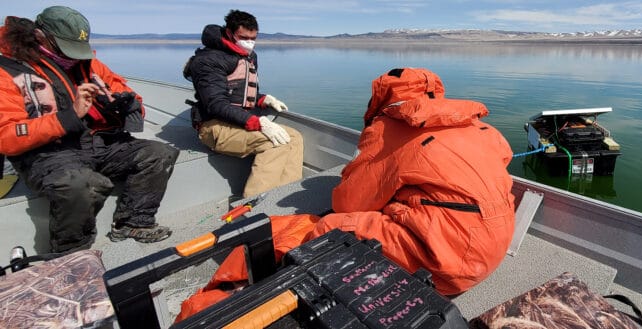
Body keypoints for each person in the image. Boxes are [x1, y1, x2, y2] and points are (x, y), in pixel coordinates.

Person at [174, 67, 516, 322]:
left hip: (447, 262)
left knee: (325, 228)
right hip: (494, 248)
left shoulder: (390, 129)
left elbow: (348, 203)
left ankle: (226, 295)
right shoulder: (478, 125)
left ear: (383, 98)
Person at [0, 6, 179, 253]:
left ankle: (133, 222)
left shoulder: (86, 63)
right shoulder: (7, 70)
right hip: (49, 153)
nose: (73, 56)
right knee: (81, 184)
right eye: (66, 48)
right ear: (41, 37)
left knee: (158, 153)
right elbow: (6, 137)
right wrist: (69, 116)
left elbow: (121, 88)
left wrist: (125, 105)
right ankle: (72, 253)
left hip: (97, 143)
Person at [184, 10, 303, 198]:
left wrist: (264, 99)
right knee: (275, 143)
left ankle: (287, 196)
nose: (249, 42)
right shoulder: (207, 60)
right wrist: (259, 122)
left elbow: (243, 93)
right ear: (229, 33)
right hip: (214, 127)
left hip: (238, 122)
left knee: (295, 137)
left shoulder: (249, 56)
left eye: (253, 38)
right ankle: (253, 208)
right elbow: (216, 104)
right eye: (244, 37)